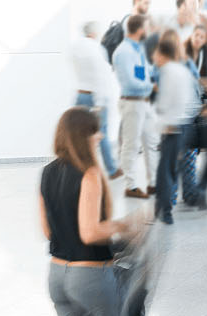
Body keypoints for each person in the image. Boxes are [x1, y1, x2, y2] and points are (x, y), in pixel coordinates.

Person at [41, 108, 132, 316]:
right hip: (88, 276)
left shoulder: (47, 172)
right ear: (82, 136)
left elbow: (48, 232)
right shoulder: (89, 173)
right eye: (95, 131)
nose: (100, 136)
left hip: (56, 275)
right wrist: (122, 225)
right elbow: (90, 233)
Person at [152, 31, 203, 225]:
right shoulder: (184, 70)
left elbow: (164, 103)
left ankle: (165, 211)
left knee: (166, 171)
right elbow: (195, 100)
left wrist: (160, 118)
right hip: (185, 125)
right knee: (174, 168)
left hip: (171, 127)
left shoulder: (167, 71)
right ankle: (166, 206)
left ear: (162, 53)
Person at [72, 22, 122, 179]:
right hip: (95, 96)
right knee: (101, 133)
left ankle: (80, 167)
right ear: (94, 33)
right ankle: (112, 170)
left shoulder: (75, 47)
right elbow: (100, 77)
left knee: (80, 134)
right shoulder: (96, 49)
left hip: (80, 94)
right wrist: (100, 103)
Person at [114, 15, 157, 199]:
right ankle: (130, 186)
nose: (148, 30)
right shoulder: (123, 52)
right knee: (131, 145)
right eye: (146, 27)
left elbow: (145, 72)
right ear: (140, 29)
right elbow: (130, 82)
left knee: (151, 143)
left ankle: (153, 183)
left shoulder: (138, 49)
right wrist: (152, 86)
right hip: (132, 102)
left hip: (144, 102)